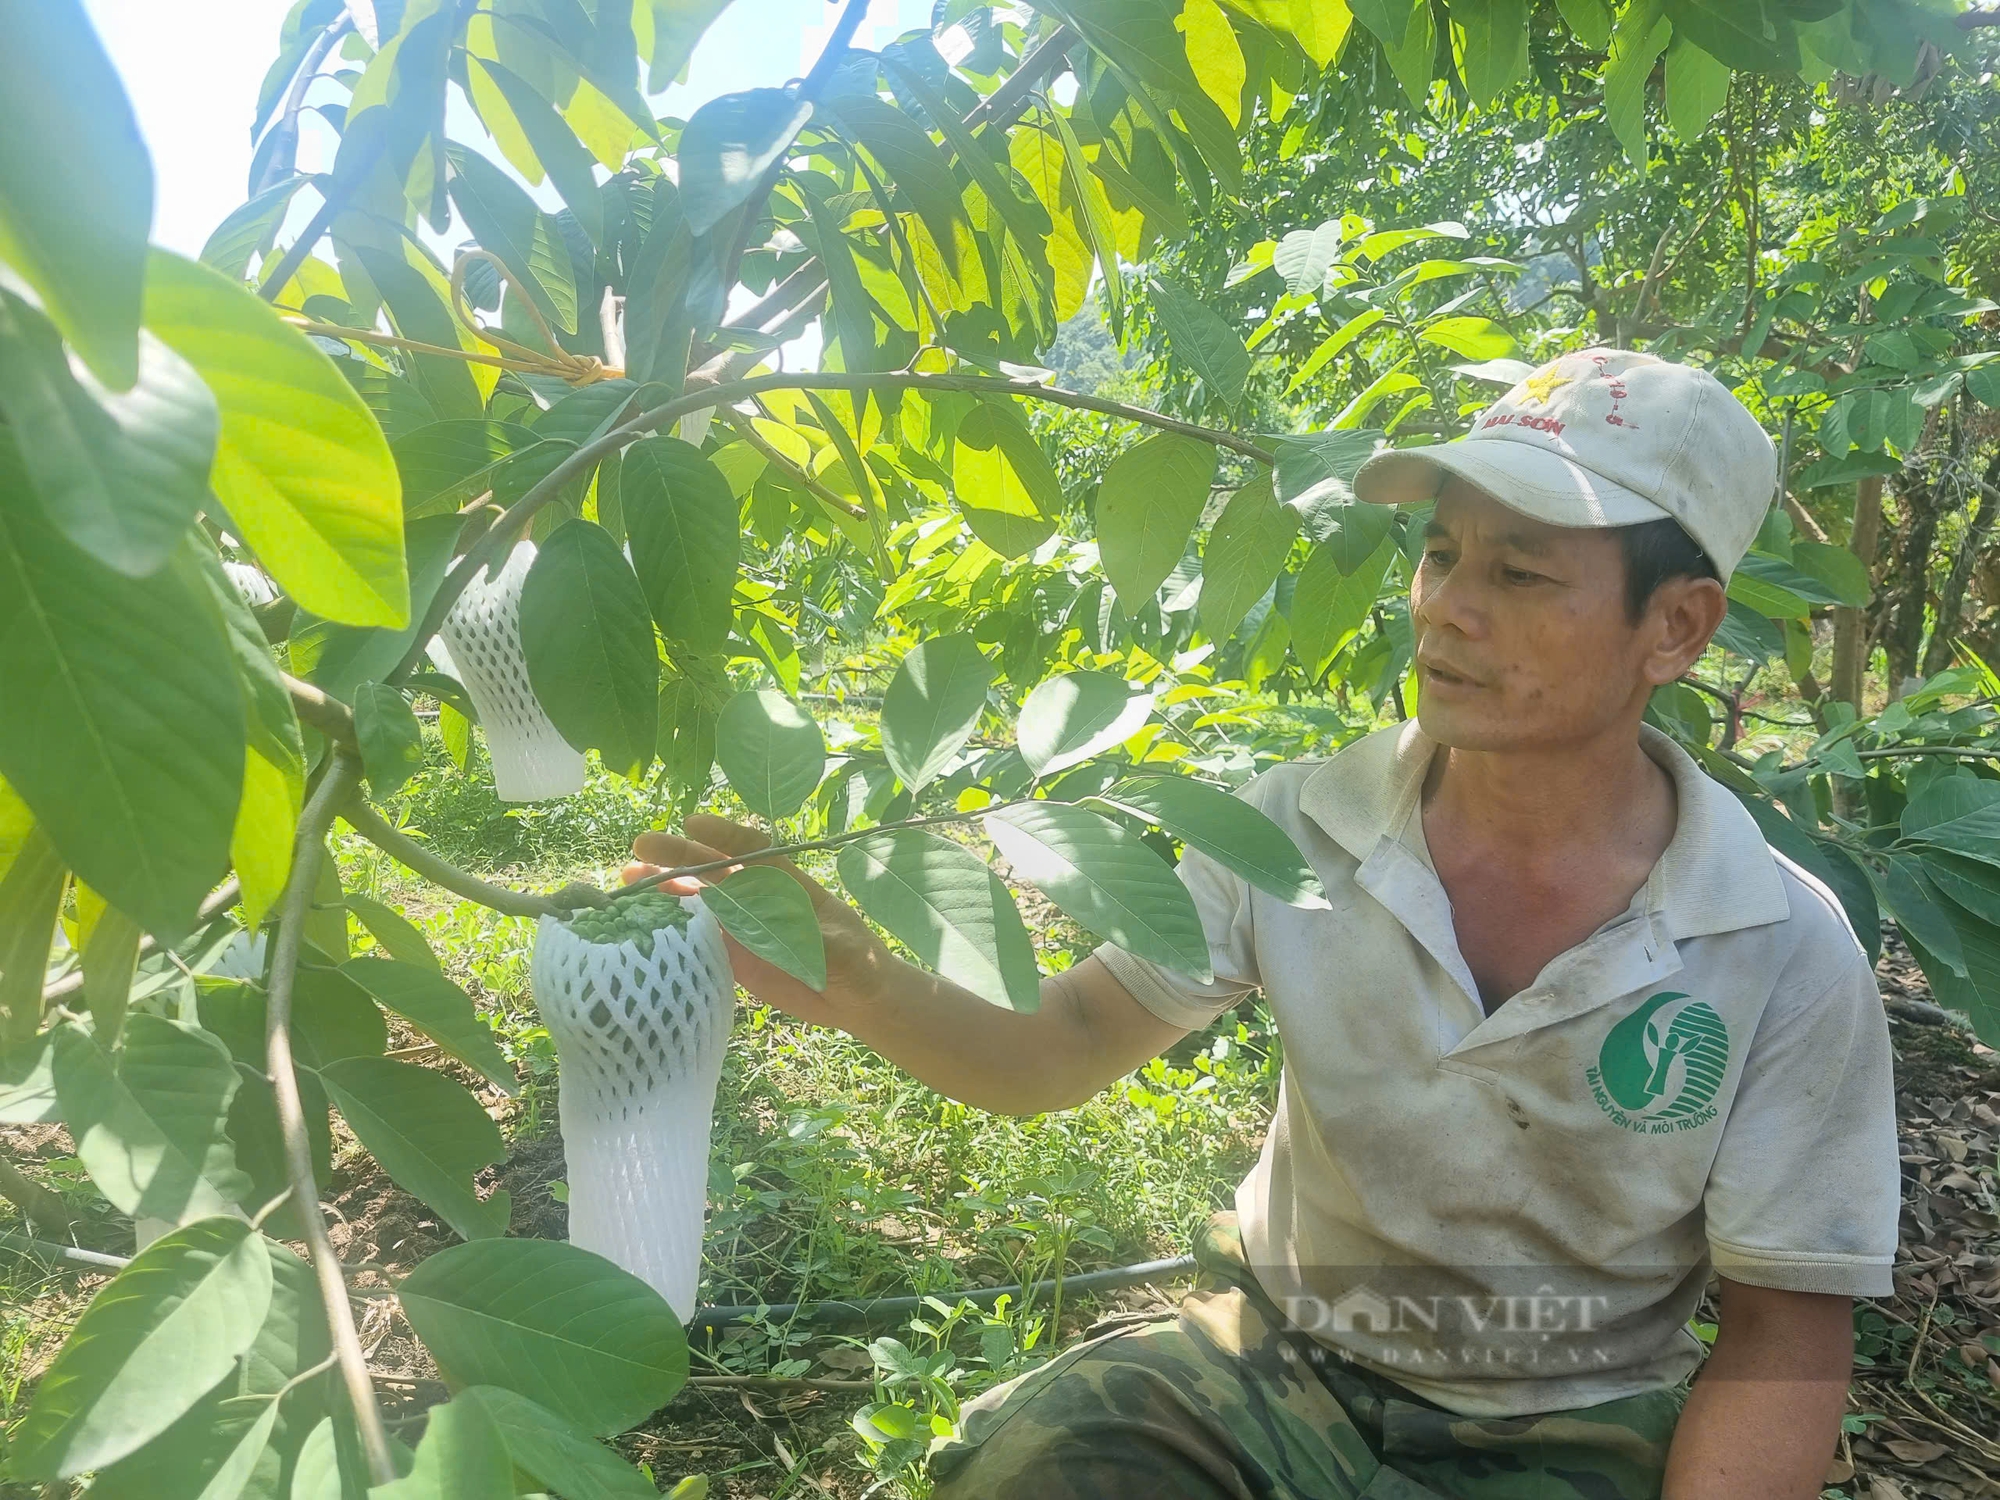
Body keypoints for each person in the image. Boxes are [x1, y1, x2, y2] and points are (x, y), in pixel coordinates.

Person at [626, 349, 1901, 1500]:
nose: (1445, 607)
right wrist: (851, 971)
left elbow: (1787, 1332)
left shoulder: (1773, 946)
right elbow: (1062, 1043)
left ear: (1673, 626)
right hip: (1277, 1364)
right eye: (1442, 552)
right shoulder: (1298, 829)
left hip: (1565, 1422)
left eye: (1518, 572)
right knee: (1034, 1472)